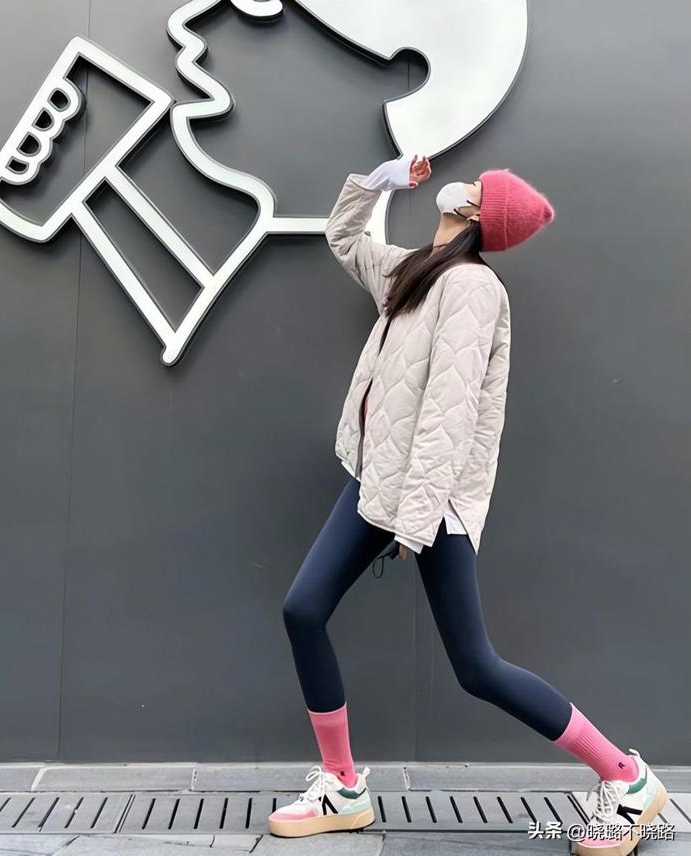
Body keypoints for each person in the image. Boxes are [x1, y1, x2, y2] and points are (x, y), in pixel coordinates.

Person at [267, 154, 668, 854]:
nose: (465, 183)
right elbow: (344, 239)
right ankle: (343, 786)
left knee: (476, 666)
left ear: (479, 213)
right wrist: (376, 184)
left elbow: (448, 415)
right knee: (303, 611)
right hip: (378, 480)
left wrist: (415, 521)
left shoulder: (474, 289)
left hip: (431, 500)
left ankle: (628, 780)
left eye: (479, 188)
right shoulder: (417, 269)